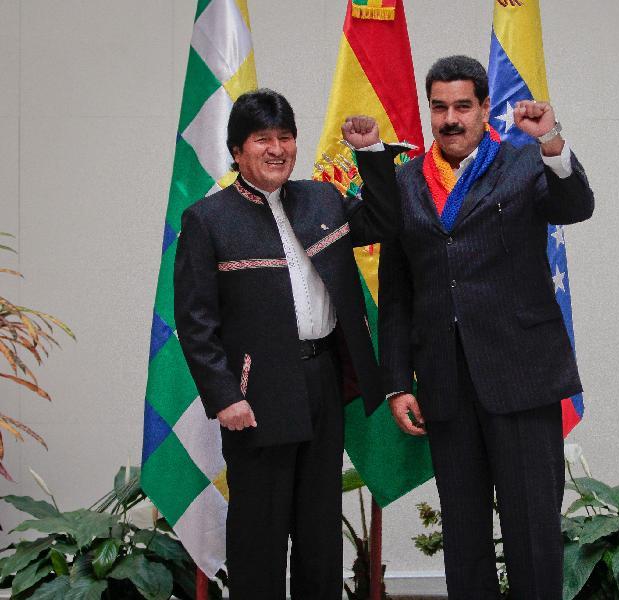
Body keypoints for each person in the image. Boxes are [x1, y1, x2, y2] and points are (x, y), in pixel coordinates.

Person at [375, 56, 595, 599]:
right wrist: (398, 381)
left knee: (533, 532)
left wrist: (550, 142)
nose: (450, 119)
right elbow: (397, 294)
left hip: (521, 377)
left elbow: (576, 205)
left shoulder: (523, 162)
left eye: (462, 106)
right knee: (464, 535)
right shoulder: (405, 182)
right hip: (446, 384)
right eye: (440, 107)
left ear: (483, 109)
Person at [173, 88, 399, 600]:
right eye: (262, 140)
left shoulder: (322, 198)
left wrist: (369, 154)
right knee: (260, 533)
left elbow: (386, 221)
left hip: (324, 380)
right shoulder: (207, 220)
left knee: (320, 530)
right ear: (237, 151)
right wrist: (225, 395)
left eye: (285, 138)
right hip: (257, 394)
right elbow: (195, 320)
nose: (276, 149)